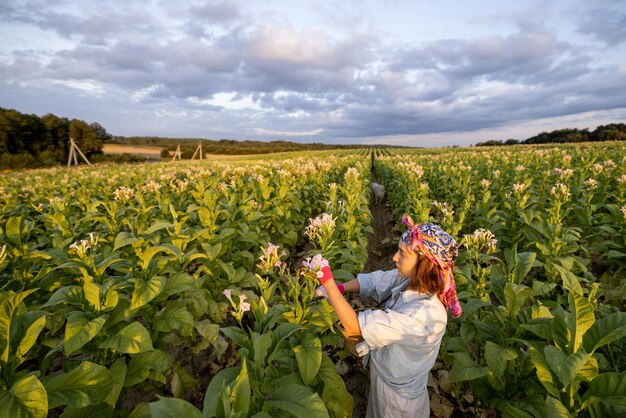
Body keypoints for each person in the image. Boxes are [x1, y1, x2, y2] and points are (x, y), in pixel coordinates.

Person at [310, 214, 461, 418]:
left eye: (402, 253)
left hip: (397, 402)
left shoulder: (425, 315)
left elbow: (354, 327)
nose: (394, 258)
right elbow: (376, 281)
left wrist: (326, 280)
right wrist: (341, 288)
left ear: (424, 264)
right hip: (386, 376)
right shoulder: (412, 281)